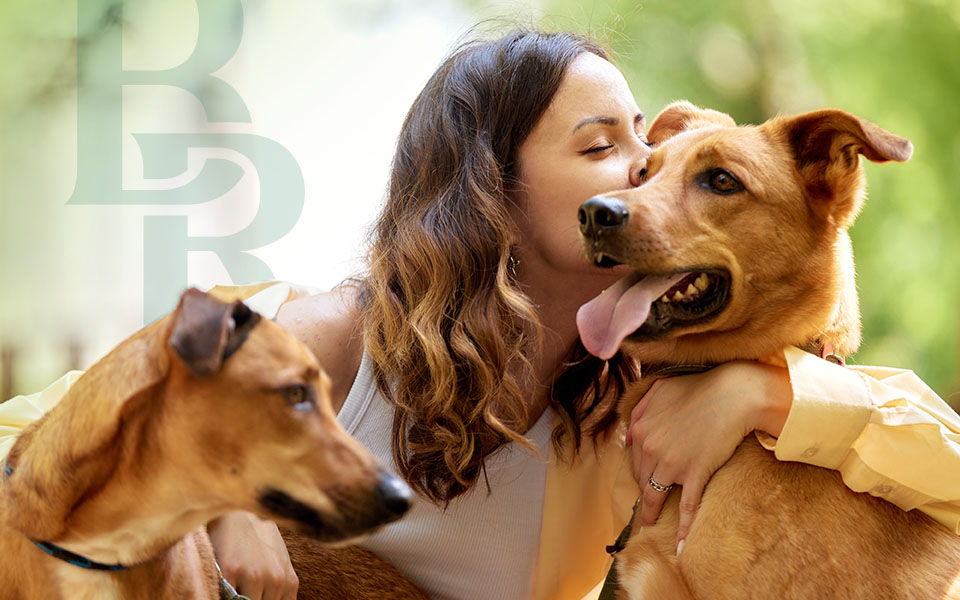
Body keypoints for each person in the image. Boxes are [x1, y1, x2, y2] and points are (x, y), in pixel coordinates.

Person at [2, 28, 958, 600]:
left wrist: (762, 395)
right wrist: (197, 511)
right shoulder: (330, 340)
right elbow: (31, 456)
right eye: (603, 147)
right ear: (492, 194)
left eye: (647, 146)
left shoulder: (635, 404)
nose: (639, 174)